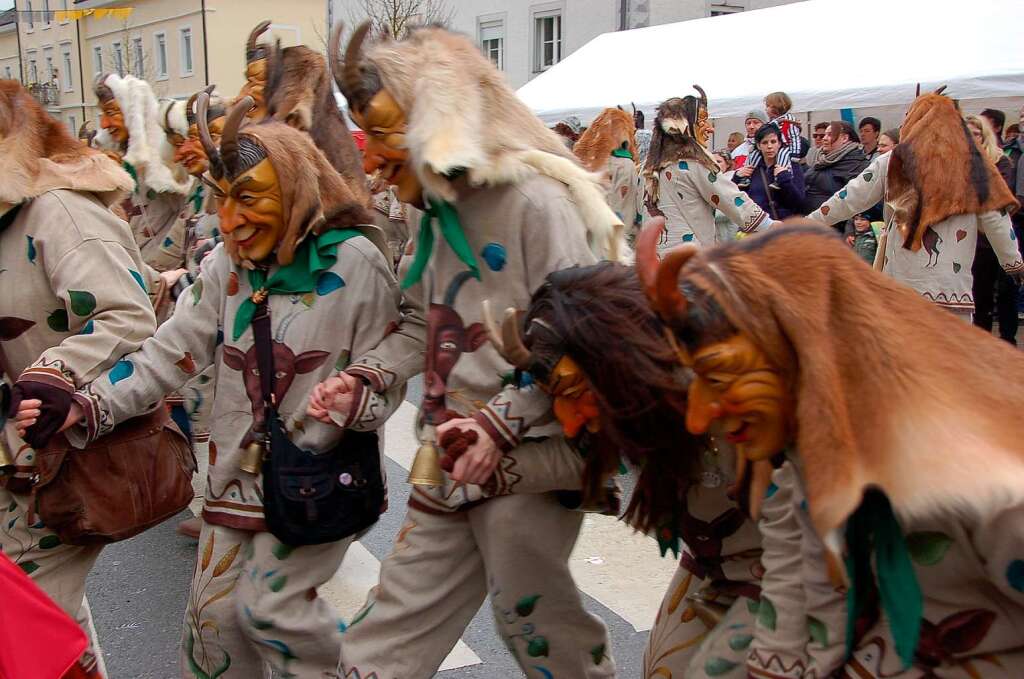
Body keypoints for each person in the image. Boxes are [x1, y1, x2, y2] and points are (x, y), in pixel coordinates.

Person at [20, 98, 404, 678]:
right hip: (233, 483)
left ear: (296, 188)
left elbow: (392, 365)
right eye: (221, 199)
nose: (228, 220)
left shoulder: (355, 265)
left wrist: (359, 397)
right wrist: (86, 405)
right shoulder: (227, 266)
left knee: (272, 613)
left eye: (247, 198)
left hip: (318, 480)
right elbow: (164, 354)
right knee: (212, 631)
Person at [330, 22, 621, 678]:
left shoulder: (541, 203)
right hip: (446, 456)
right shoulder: (429, 210)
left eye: (380, 132)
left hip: (530, 457)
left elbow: (586, 347)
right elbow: (417, 323)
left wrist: (500, 422)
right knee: (382, 637)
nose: (370, 159)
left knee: (538, 627)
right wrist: (366, 377)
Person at [638, 222, 1024, 676]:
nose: (699, 417)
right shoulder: (810, 447)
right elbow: (794, 568)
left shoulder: (975, 478)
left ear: (796, 350)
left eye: (718, 377)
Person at [507, 257, 848, 679]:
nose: (571, 418)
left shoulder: (729, 392)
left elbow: (812, 529)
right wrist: (490, 461)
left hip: (793, 569)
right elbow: (578, 456)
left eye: (575, 391)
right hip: (711, 567)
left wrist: (780, 651)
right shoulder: (628, 404)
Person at [0, 79, 147, 679]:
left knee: (25, 631)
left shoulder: (55, 211)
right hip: (12, 464)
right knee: (43, 628)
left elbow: (131, 314)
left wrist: (58, 370)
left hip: (56, 462)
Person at [807, 90, 1023, 322]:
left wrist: (811, 221)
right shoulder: (975, 165)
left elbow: (850, 197)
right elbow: (996, 218)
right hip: (950, 291)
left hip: (902, 287)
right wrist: (1013, 262)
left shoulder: (893, 161)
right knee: (947, 356)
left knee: (905, 355)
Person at [643, 88, 775, 253]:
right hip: (687, 263)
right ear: (686, 126)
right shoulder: (693, 163)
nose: (710, 129)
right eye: (703, 121)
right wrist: (770, 226)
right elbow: (730, 199)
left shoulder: (646, 169)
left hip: (651, 265)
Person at [967, 113, 1021, 343]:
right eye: (967, 134)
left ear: (985, 135)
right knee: (980, 297)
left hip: (997, 238)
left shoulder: (1000, 161)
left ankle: (1008, 342)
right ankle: (982, 343)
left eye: (977, 134)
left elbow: (1001, 199)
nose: (972, 138)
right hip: (973, 242)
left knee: (1006, 293)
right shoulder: (955, 165)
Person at [574, 107, 642, 236]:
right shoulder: (627, 164)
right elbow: (635, 200)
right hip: (620, 233)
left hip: (592, 231)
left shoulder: (590, 162)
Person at [732, 124, 806, 220]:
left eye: (773, 142)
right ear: (758, 145)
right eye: (765, 142)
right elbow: (738, 200)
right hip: (757, 226)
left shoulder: (791, 166)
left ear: (779, 144)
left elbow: (798, 202)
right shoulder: (752, 168)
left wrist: (784, 179)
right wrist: (737, 179)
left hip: (782, 227)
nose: (769, 146)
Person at [736, 91, 803, 190]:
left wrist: (794, 154)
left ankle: (778, 178)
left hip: (785, 147)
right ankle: (746, 176)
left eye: (768, 106)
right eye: (748, 123)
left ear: (776, 106)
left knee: (782, 155)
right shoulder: (773, 123)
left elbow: (795, 138)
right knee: (754, 154)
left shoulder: (789, 121)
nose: (766, 109)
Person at [802, 120, 869, 215]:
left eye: (829, 135)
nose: (824, 139)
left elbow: (857, 201)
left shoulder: (857, 165)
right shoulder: (822, 161)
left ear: (845, 138)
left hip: (833, 225)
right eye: (825, 135)